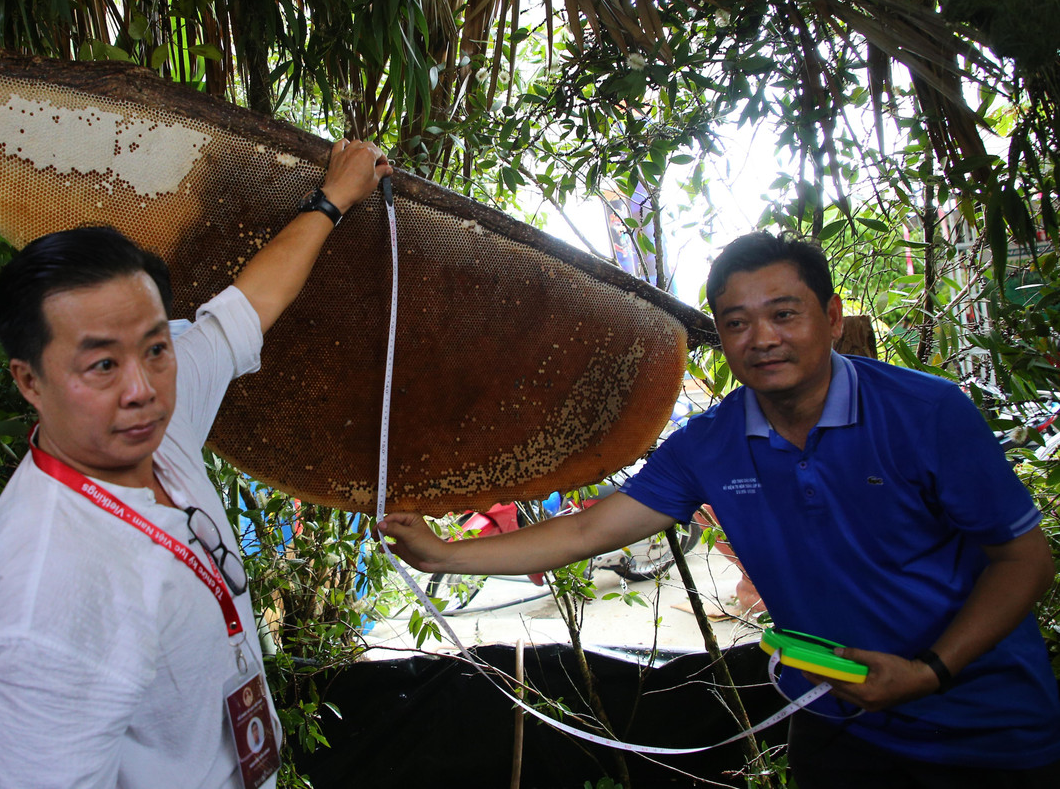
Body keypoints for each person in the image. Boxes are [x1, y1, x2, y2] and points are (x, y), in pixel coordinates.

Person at [380, 231, 1060, 786]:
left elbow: (1025, 556)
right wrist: (446, 553)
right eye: (737, 322)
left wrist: (931, 670)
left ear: (830, 316)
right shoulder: (710, 444)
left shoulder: (927, 413)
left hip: (986, 728)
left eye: (784, 313)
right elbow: (591, 526)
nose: (761, 337)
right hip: (837, 722)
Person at [0, 139, 392, 789]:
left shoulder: (159, 417)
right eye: (101, 363)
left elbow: (244, 309)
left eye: (156, 347)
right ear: (29, 380)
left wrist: (333, 200)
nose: (142, 388)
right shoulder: (46, 595)